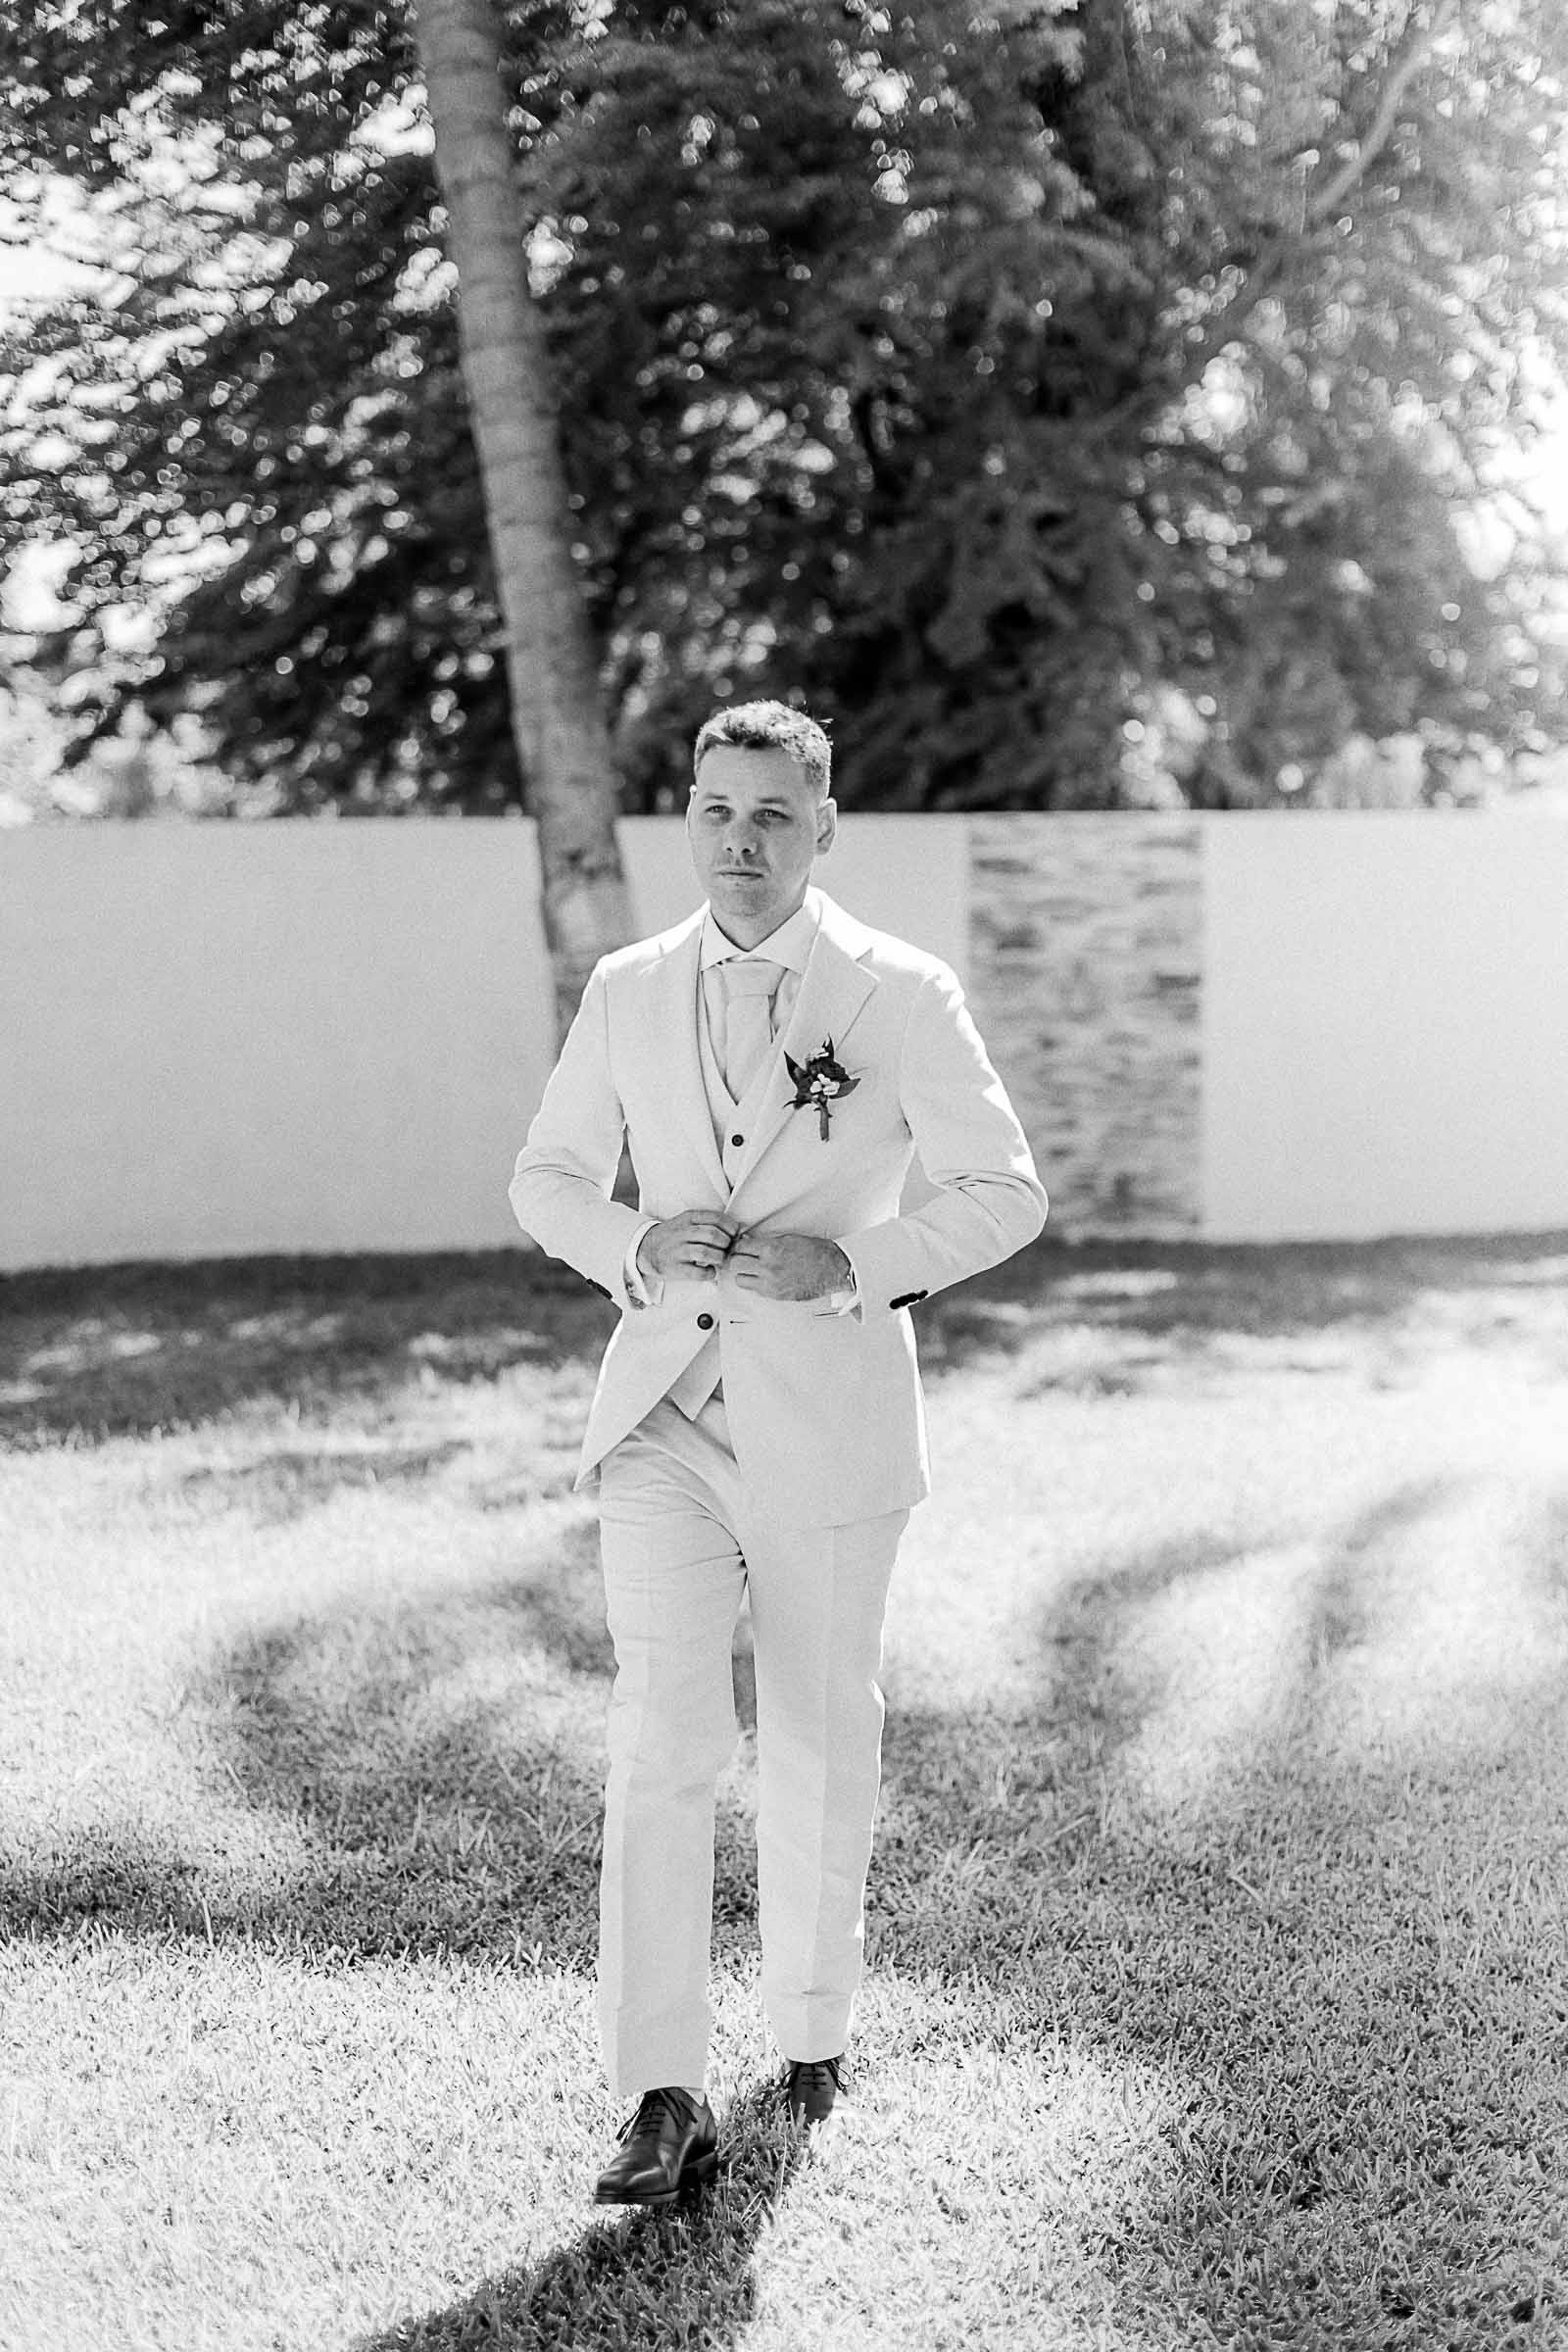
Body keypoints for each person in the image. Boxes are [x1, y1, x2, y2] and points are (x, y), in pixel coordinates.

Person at [509, 700, 1046, 2206]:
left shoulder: (900, 993)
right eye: (715, 810)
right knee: (661, 1742)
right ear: (687, 815)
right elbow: (547, 1174)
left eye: (770, 816)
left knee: (818, 1736)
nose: (739, 841)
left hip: (830, 1418)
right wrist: (626, 1241)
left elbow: (1005, 1194)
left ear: (822, 831)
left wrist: (856, 1269)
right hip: (663, 1415)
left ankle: (811, 2029)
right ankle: (659, 2092)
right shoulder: (625, 987)